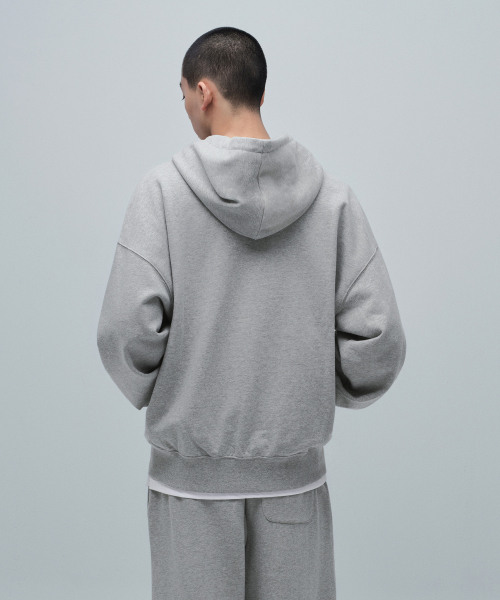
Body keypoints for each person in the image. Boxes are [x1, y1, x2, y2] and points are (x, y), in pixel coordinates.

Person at [97, 26, 406, 600]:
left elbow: (125, 329)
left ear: (204, 92)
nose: (185, 106)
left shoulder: (161, 194)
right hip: (295, 484)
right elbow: (379, 342)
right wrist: (308, 385)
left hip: (190, 488)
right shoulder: (333, 201)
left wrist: (170, 385)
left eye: (183, 93)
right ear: (261, 93)